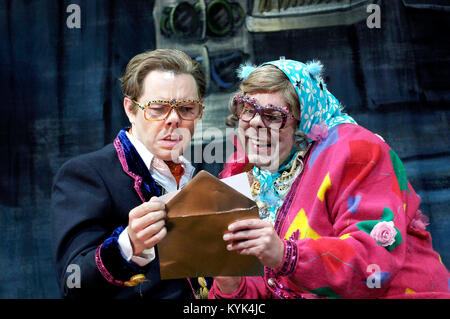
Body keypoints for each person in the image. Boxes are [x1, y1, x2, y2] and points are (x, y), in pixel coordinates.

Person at [210, 58, 450, 299]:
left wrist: (287, 255)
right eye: (248, 109)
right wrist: (231, 285)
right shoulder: (244, 174)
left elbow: (374, 262)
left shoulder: (355, 152)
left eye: (273, 116)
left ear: (304, 124)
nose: (254, 123)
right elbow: (272, 287)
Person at [51, 49, 210, 299]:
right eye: (157, 108)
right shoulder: (86, 174)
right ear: (130, 109)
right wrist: (128, 244)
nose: (173, 120)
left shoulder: (204, 171)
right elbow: (73, 285)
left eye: (187, 108)